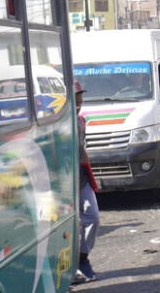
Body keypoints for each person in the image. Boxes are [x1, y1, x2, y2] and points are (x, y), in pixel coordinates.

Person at [73, 81, 100, 284]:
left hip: (81, 179)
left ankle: (82, 259)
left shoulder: (81, 122)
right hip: (64, 182)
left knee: (92, 217)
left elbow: (83, 150)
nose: (78, 106)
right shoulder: (55, 125)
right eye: (74, 102)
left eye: (80, 102)